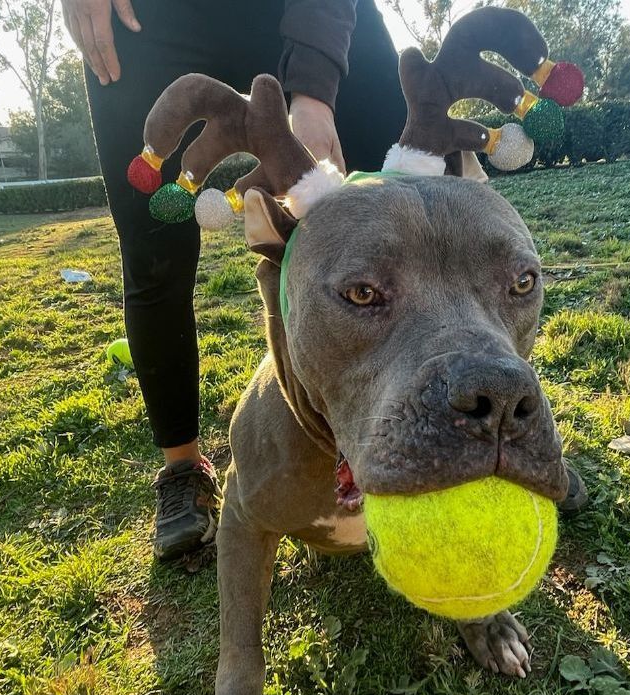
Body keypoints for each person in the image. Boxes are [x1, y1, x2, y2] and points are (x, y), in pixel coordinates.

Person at [60, 0, 407, 560]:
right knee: (154, 251)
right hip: (142, 18)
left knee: (408, 178)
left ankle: (486, 422)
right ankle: (182, 469)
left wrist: (315, 93)